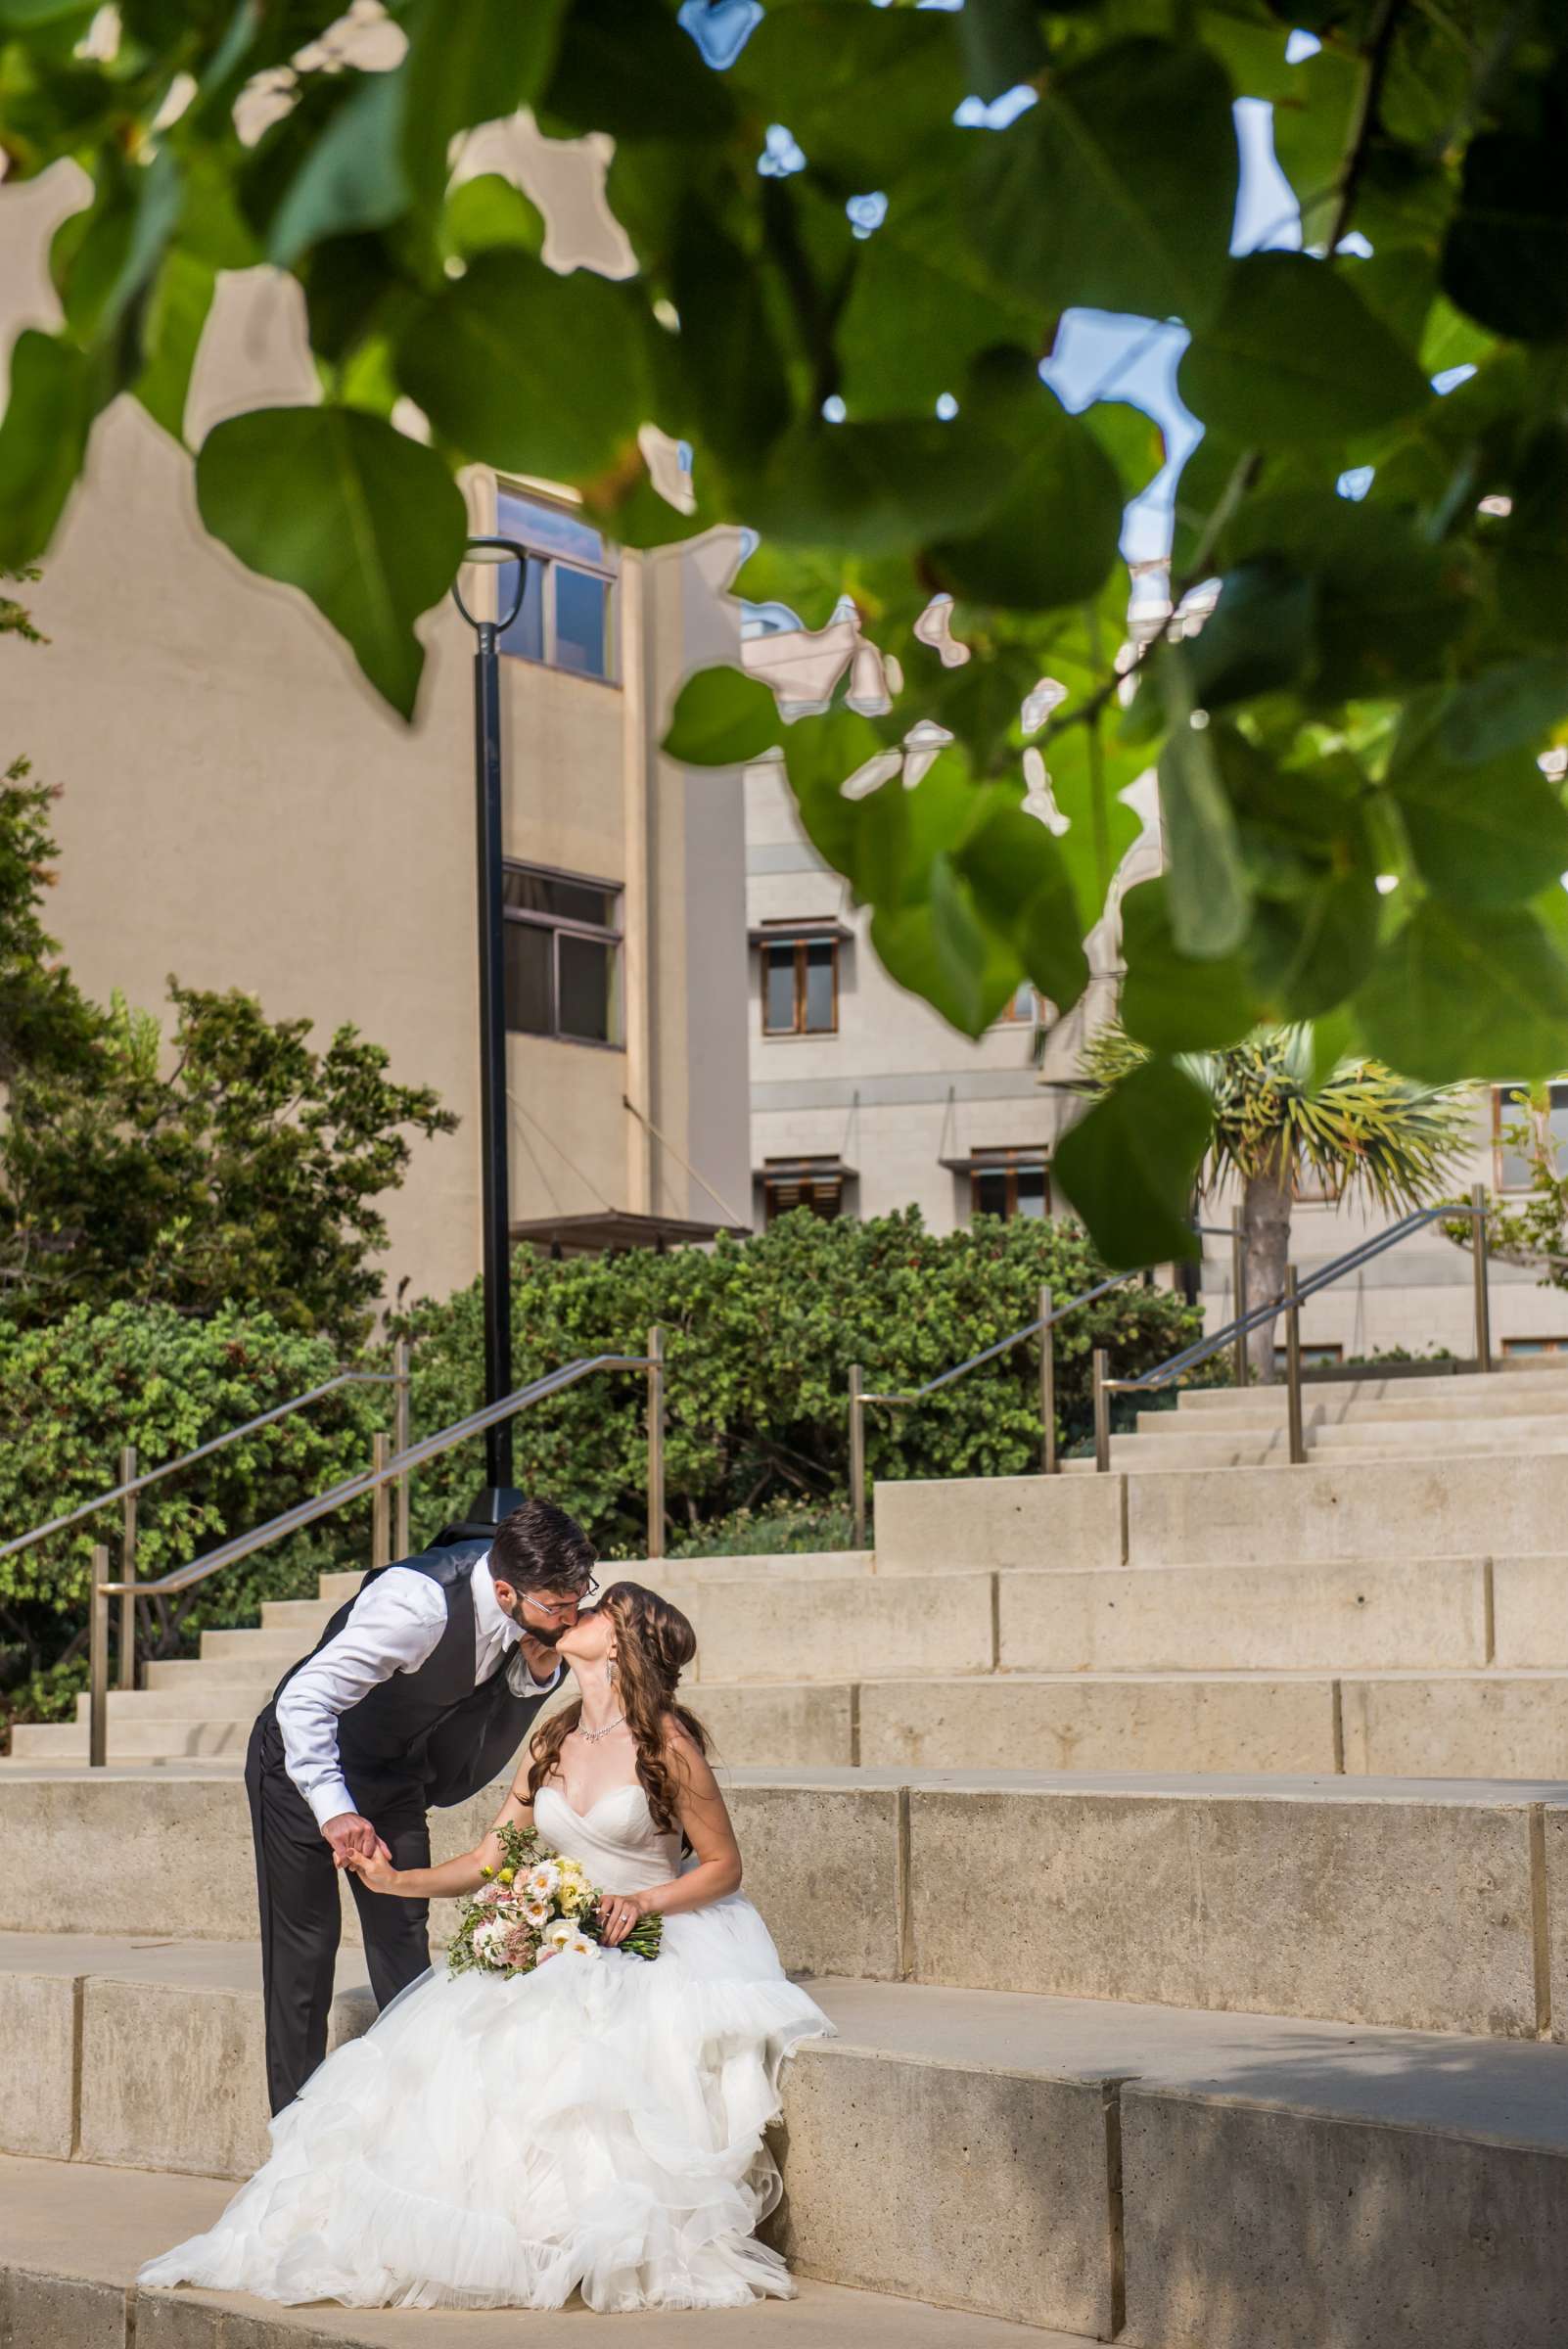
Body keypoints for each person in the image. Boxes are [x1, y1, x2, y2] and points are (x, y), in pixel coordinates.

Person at [141, 1581, 833, 2314]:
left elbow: (723, 1867)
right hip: (556, 1936)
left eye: (597, 1611)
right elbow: (491, 1858)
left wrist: (639, 1900)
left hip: (645, 1942)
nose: (577, 1613)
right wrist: (398, 1880)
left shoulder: (668, 1743)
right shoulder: (553, 1740)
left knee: (576, 2059)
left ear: (624, 1642)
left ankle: (571, 2234)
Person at [244, 1496, 594, 2116]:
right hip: (304, 1768)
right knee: (305, 1953)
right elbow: (303, 1703)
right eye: (557, 1605)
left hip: (394, 1771)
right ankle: (293, 2133)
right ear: (507, 1591)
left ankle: (410, 2125)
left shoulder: (533, 1615)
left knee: (404, 1942)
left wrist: (538, 1671)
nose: (571, 1617)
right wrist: (335, 1809)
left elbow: (490, 1698)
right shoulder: (418, 1605)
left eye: (577, 1597)